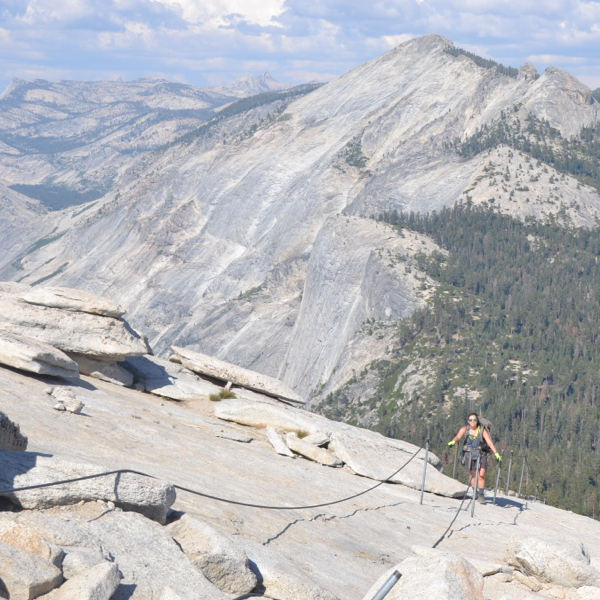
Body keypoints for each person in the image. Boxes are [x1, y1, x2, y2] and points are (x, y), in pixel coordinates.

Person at [447, 413, 501, 504]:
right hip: (469, 455)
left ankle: (481, 495)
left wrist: (496, 453)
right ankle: (475, 492)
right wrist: (453, 441)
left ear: (477, 421)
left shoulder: (482, 431)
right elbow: (458, 436)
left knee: (481, 474)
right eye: (471, 420)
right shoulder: (465, 429)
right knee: (473, 474)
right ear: (468, 421)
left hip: (481, 454)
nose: (473, 422)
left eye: (475, 420)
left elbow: (489, 442)